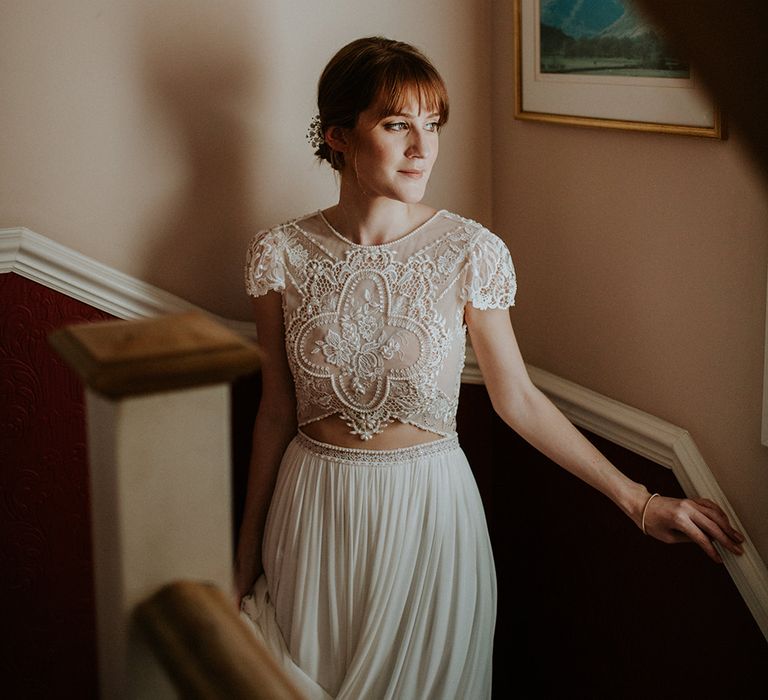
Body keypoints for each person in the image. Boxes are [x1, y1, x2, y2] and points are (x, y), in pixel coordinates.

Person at [235, 36, 744, 700]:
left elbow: (519, 400)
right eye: (396, 124)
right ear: (338, 135)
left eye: (433, 124)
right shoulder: (281, 254)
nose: (424, 147)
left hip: (429, 520)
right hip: (312, 519)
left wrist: (640, 503)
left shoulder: (469, 251)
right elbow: (275, 409)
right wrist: (242, 560)